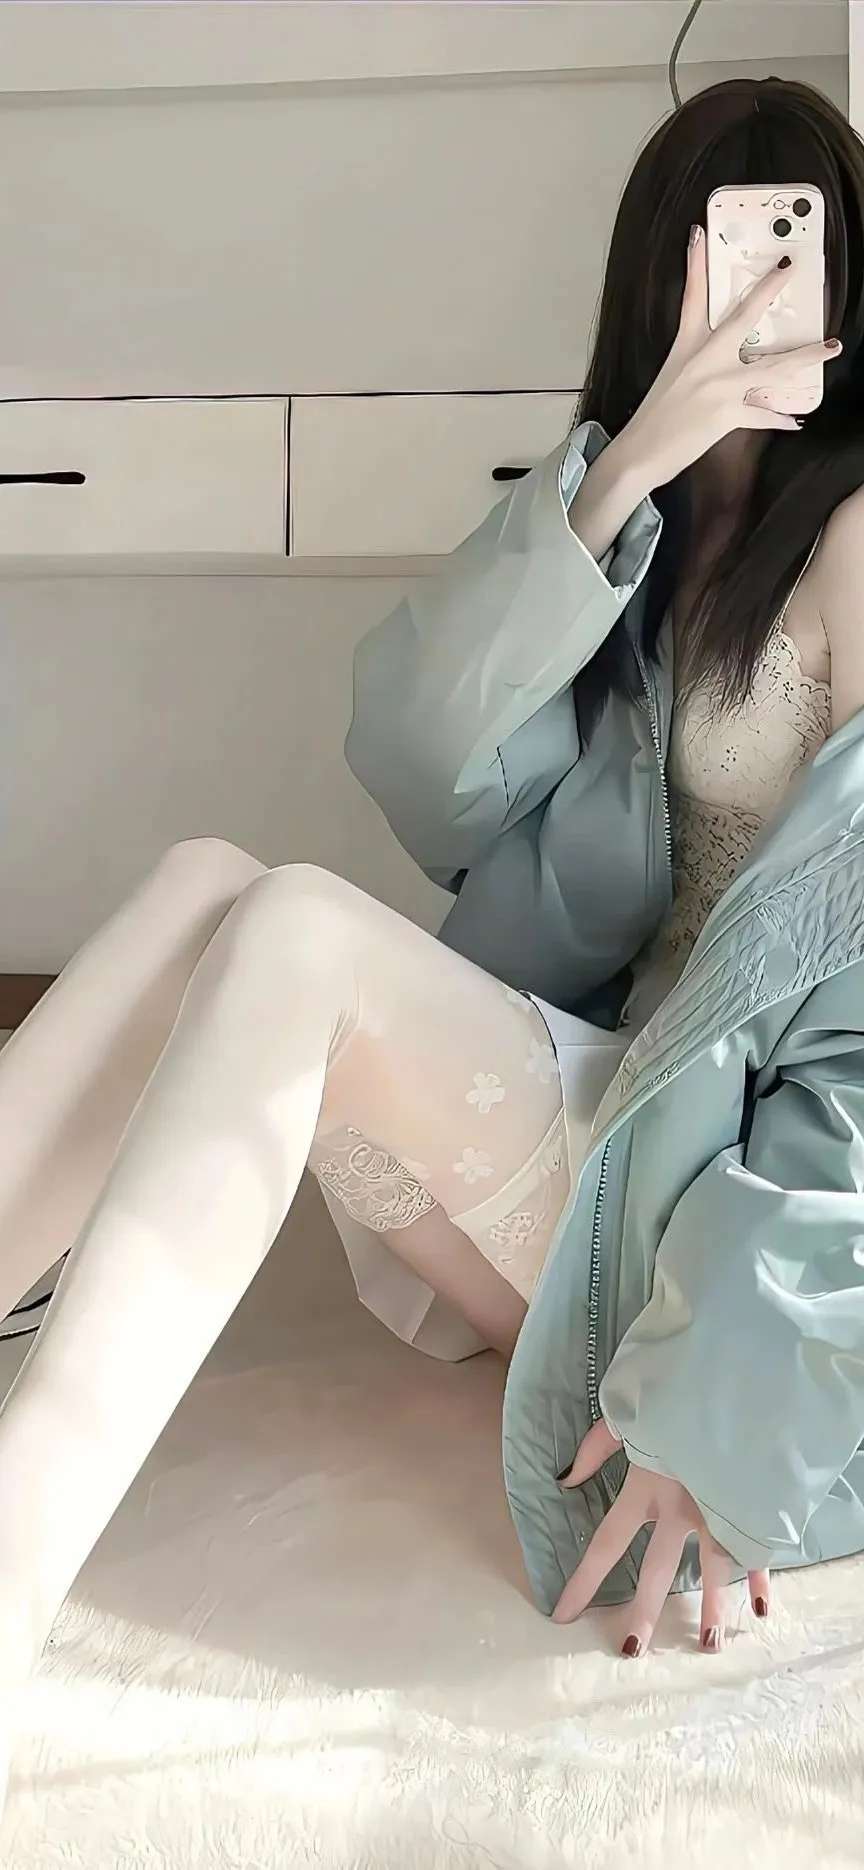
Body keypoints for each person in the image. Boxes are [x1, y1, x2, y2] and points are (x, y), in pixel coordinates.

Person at [0, 78, 862, 1795]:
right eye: (718, 256)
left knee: (301, 937)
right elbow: (417, 761)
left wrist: (724, 1389)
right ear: (656, 278)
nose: (756, 295)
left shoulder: (856, 540)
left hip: (698, 1213)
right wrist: (625, 474)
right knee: (210, 878)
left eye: (794, 251)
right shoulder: (623, 518)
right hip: (596, 1107)